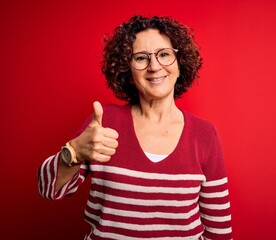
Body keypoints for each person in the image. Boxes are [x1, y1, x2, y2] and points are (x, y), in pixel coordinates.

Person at [38, 15, 232, 240]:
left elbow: (219, 230)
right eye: (141, 58)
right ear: (128, 72)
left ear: (180, 65)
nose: (154, 66)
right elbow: (48, 189)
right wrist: (74, 152)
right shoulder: (104, 122)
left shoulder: (205, 135)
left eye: (164, 54)